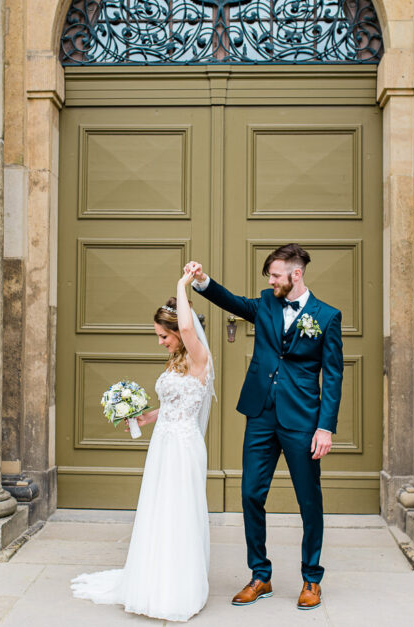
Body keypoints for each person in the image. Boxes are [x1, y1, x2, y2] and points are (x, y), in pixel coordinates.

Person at [186, 243, 342, 611]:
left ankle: (311, 579)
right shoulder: (267, 303)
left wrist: (326, 428)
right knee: (251, 494)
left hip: (303, 419)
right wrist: (202, 280)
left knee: (309, 501)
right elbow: (232, 302)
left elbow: (333, 376)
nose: (270, 281)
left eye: (275, 275)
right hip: (260, 414)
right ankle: (260, 575)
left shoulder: (327, 316)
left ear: (296, 274)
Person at [71, 266, 214, 622]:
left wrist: (183, 284)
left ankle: (178, 587)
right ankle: (153, 578)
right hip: (164, 443)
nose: (161, 342)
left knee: (179, 511)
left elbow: (184, 325)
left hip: (183, 447)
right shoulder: (177, 360)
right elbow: (171, 407)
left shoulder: (199, 358)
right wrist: (143, 417)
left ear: (181, 333)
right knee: (159, 510)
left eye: (163, 336)